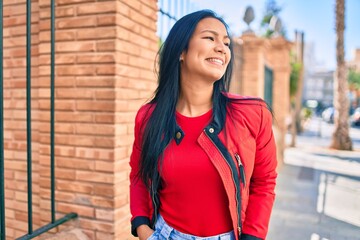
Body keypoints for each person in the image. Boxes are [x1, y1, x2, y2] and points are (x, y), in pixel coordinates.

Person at [129, 10, 277, 240]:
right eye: (210, 38)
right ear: (180, 51)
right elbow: (139, 175)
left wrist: (253, 236)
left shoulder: (253, 114)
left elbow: (264, 182)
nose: (222, 48)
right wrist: (141, 227)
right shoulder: (149, 117)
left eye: (226, 43)